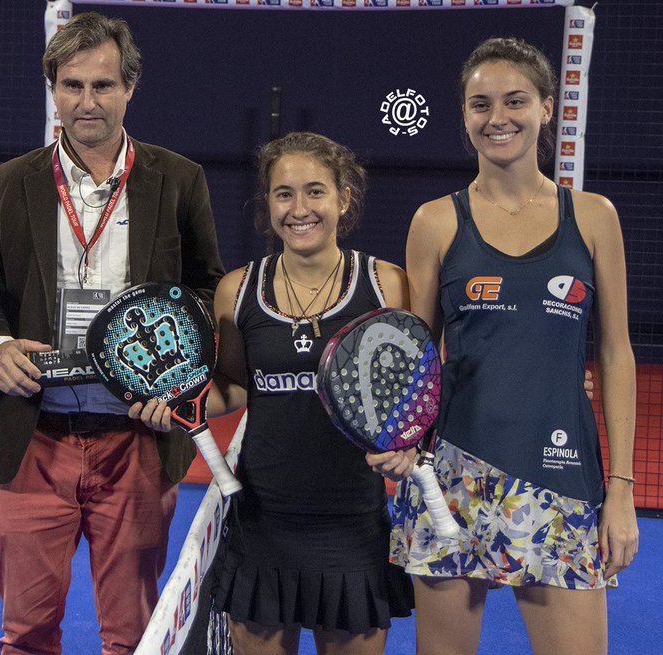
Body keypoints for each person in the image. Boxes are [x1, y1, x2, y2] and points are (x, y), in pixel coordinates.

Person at [0, 12, 224, 654]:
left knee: (133, 637)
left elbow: (204, 289)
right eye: (72, 85)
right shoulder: (10, 182)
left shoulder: (180, 179)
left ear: (129, 89)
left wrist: (171, 370)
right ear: (53, 88)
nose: (87, 102)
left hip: (135, 440)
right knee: (24, 634)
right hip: (33, 436)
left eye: (103, 86)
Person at [392, 36, 639, 655]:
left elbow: (615, 353)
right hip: (448, 480)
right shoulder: (434, 222)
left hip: (564, 480)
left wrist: (623, 488)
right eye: (480, 104)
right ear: (465, 117)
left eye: (515, 101)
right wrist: (398, 448)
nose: (497, 118)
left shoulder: (595, 216)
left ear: (547, 108)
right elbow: (415, 359)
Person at [137, 132, 416, 654]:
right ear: (267, 205)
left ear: (343, 199)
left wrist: (409, 445)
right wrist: (174, 406)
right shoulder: (237, 290)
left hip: (352, 526)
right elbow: (234, 387)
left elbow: (414, 392)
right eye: (284, 194)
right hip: (262, 523)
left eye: (315, 191)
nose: (299, 208)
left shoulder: (387, 285)